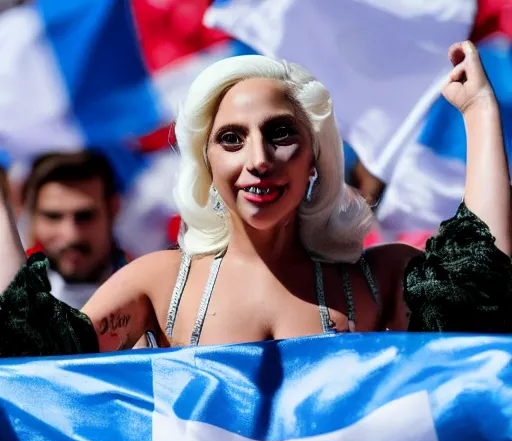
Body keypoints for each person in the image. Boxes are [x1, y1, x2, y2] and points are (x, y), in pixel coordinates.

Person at [0, 40, 511, 358]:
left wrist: (480, 112)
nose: (258, 159)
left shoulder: (380, 277)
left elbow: (482, 296)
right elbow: (35, 356)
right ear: (206, 162)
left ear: (315, 157)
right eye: (231, 139)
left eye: (281, 133)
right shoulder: (158, 282)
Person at [20, 151, 131, 309]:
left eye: (85, 216)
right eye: (53, 216)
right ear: (32, 217)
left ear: (114, 210)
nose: (71, 235)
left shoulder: (156, 294)